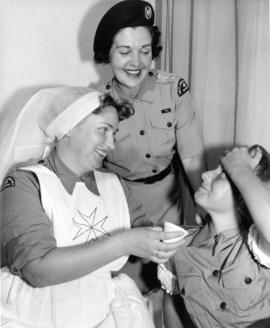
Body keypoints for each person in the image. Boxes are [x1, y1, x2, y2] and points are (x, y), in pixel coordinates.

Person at [0, 86, 185, 328]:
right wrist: (126, 242)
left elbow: (143, 235)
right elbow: (38, 270)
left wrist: (157, 244)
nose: (111, 144)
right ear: (67, 129)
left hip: (102, 313)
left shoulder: (114, 184)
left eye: (114, 133)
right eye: (103, 131)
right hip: (36, 315)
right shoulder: (24, 184)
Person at [93, 0, 205, 228]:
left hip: (169, 203)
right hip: (119, 205)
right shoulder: (95, 103)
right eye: (125, 52)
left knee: (169, 260)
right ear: (108, 55)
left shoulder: (174, 90)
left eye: (145, 51)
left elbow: (191, 155)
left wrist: (201, 201)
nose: (136, 62)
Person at [158, 145, 270, 328]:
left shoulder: (259, 248)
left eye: (223, 174)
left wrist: (238, 166)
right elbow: (171, 304)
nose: (205, 175)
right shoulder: (177, 242)